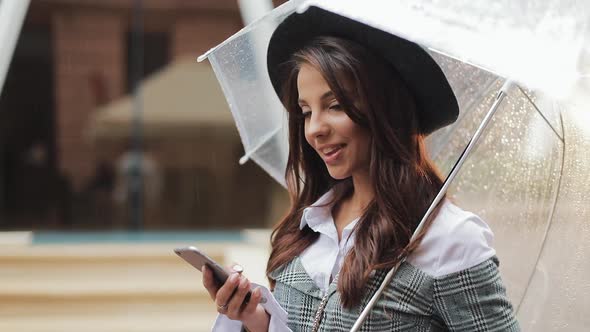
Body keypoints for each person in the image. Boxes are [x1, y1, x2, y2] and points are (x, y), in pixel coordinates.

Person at [202, 7, 520, 332]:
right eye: (306, 111)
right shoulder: (310, 223)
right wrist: (253, 318)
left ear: (385, 109)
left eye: (335, 106)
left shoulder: (450, 239)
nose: (314, 129)